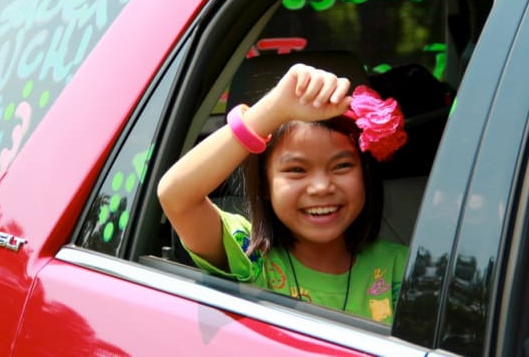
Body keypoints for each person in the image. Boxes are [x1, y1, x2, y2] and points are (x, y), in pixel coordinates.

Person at [157, 63, 409, 325]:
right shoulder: (251, 257)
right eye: (297, 170)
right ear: (266, 185)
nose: (321, 187)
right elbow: (175, 196)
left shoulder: (401, 268)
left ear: (365, 176)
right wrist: (273, 109)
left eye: (342, 166)